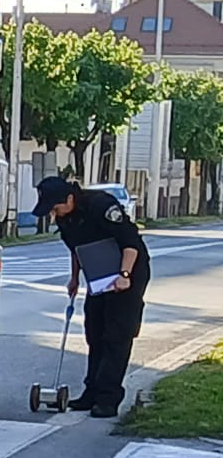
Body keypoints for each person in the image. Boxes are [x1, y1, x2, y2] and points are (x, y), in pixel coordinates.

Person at [35, 175, 149, 418]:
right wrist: (75, 278)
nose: (54, 214)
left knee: (116, 335)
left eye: (55, 208)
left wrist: (124, 275)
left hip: (128, 271)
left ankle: (108, 398)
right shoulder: (66, 218)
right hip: (99, 273)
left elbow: (130, 243)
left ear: (70, 198)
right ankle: (91, 393)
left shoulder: (101, 205)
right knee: (95, 332)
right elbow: (77, 249)